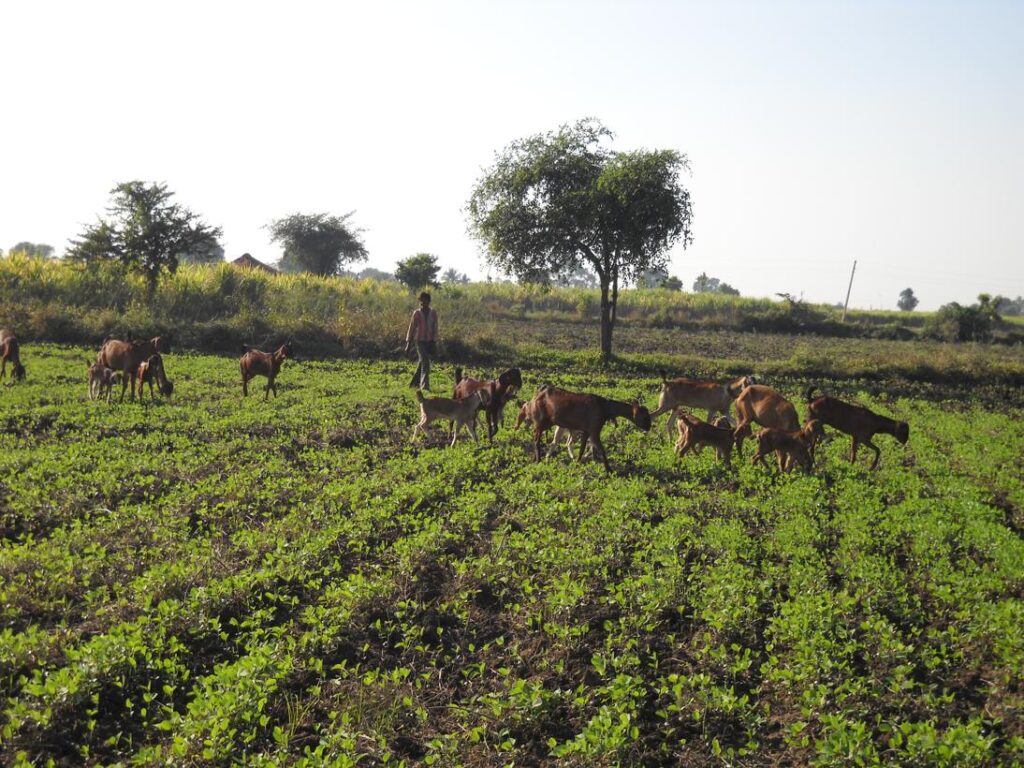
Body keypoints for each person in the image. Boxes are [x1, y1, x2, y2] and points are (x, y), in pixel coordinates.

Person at [405, 291, 438, 390]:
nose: (423, 302)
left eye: (425, 300)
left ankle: (414, 383)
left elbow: (435, 327)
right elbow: (412, 328)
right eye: (421, 300)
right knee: (425, 363)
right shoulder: (417, 313)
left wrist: (434, 340)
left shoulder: (433, 313)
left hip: (429, 341)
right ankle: (425, 386)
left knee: (422, 363)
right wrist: (408, 344)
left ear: (429, 301)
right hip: (419, 341)